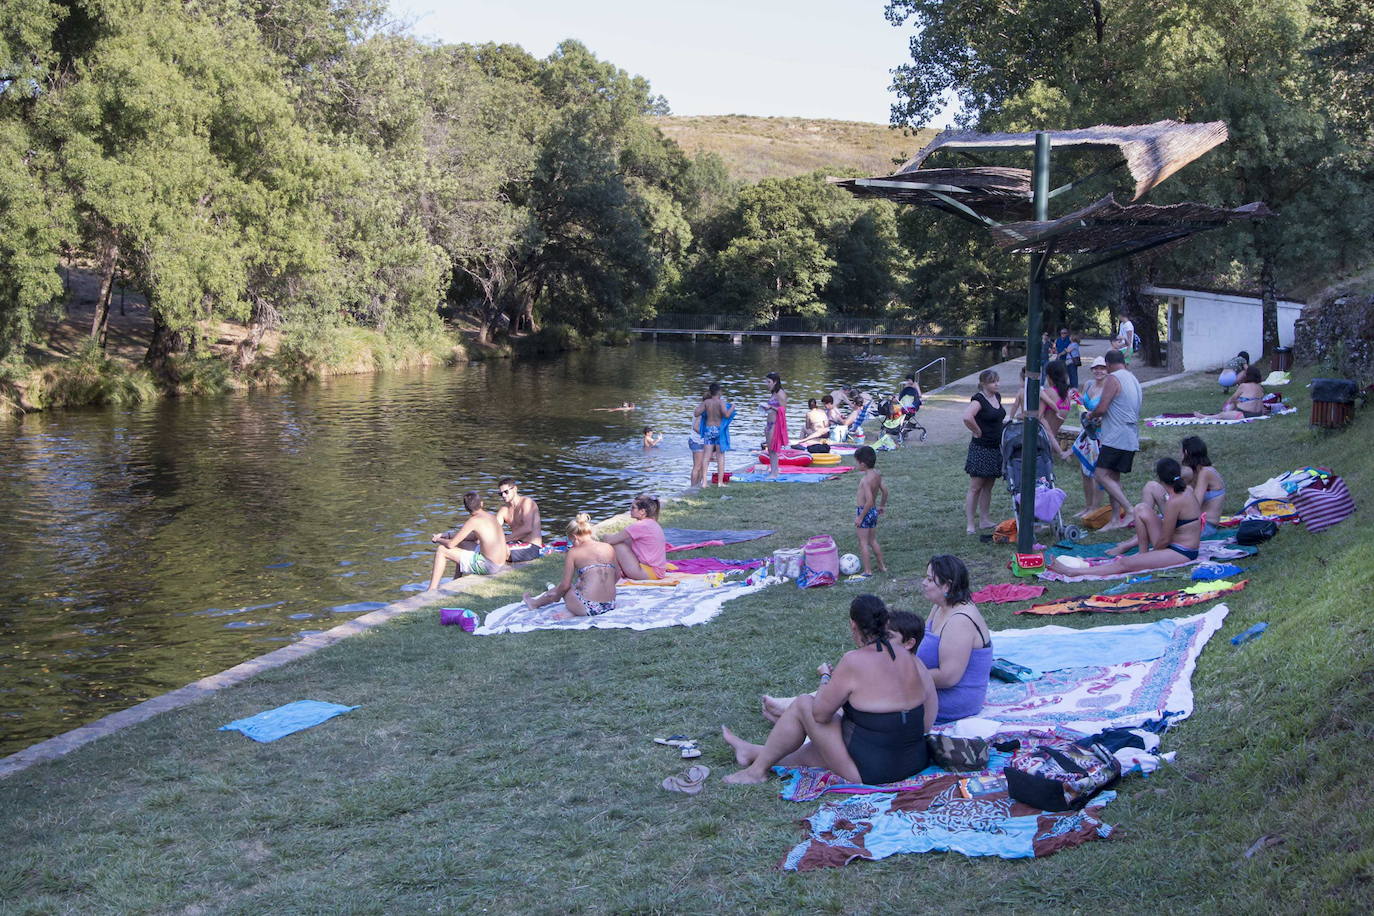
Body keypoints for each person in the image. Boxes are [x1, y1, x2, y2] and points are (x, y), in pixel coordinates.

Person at [722, 595, 938, 786]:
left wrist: (826, 677)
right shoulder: (911, 659)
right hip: (914, 762)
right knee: (815, 753)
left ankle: (756, 772)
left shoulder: (854, 660)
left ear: (854, 625)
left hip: (873, 772)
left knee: (803, 704)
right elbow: (927, 712)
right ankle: (751, 752)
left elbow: (819, 714)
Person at [1050, 457, 1203, 577]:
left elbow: (1165, 539)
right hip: (1174, 543)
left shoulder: (1175, 501)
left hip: (1182, 551)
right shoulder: (1187, 490)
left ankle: (1072, 572)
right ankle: (1143, 554)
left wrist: (1151, 556)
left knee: (1126, 563)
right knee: (1140, 508)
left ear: (1161, 479)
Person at [915, 555, 992, 723]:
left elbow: (948, 677)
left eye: (929, 579)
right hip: (929, 689)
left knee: (876, 700)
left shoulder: (960, 620)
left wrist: (904, 677)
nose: (924, 583)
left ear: (947, 586)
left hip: (954, 700)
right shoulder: (940, 606)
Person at [1087, 349, 1142, 531]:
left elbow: (1102, 408)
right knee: (1113, 476)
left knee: (1100, 475)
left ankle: (1129, 509)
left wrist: (1091, 415)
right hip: (1130, 434)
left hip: (1116, 435)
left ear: (1109, 365)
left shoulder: (1113, 378)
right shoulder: (1133, 378)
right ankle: (1115, 520)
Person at [522, 514, 618, 619]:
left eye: (570, 540)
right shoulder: (608, 547)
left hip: (589, 608)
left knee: (564, 587)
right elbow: (617, 575)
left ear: (574, 536)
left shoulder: (574, 552)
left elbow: (565, 586)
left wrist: (556, 596)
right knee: (577, 586)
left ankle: (535, 603)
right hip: (610, 604)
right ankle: (571, 611)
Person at [426, 492, 509, 591]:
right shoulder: (491, 517)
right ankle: (456, 580)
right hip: (500, 562)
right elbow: (472, 537)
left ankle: (431, 589)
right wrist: (446, 535)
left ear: (466, 508)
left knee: (441, 550)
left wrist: (437, 539)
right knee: (461, 544)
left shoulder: (473, 521)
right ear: (481, 504)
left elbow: (451, 544)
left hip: (489, 566)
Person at [961, 369, 1005, 534]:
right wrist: (977, 431)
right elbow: (967, 417)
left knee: (989, 485)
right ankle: (970, 523)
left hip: (995, 447)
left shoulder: (997, 397)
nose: (997, 384)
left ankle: (985, 519)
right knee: (976, 487)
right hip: (981, 448)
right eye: (994, 382)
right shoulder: (978, 400)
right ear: (984, 384)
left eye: (997, 381)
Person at [1072, 356, 1109, 518]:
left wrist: (1099, 418)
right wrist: (1076, 399)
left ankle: (1095, 507)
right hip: (1087, 431)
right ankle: (1087, 506)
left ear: (1107, 370)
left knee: (1096, 472)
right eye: (1096, 368)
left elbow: (1110, 409)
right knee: (1084, 470)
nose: (1098, 371)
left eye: (1102, 368)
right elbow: (1083, 404)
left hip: (1101, 435)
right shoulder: (1088, 384)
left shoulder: (1109, 387)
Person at [1008, 362, 1070, 459]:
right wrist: (1057, 411)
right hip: (1055, 428)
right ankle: (1059, 452)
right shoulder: (1066, 396)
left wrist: (1020, 416)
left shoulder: (1048, 392)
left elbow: (1038, 415)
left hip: (1042, 435)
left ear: (1049, 376)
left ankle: (1061, 453)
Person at [601, 493, 666, 580]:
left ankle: (615, 574)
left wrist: (604, 535)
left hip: (649, 573)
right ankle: (617, 571)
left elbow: (610, 540)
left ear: (642, 511)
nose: (630, 510)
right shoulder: (650, 523)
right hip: (656, 572)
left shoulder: (640, 525)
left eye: (633, 508)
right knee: (625, 541)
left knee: (616, 545)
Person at [852, 445, 888, 577]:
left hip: (865, 511)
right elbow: (885, 491)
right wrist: (882, 506)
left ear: (862, 463)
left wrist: (860, 517)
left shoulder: (866, 480)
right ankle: (882, 566)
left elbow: (869, 501)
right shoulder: (877, 475)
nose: (856, 465)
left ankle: (867, 571)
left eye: (857, 462)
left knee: (863, 542)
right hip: (873, 512)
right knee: (872, 540)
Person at [1181, 436, 1225, 535]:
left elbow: (1195, 505)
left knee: (1158, 527)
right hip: (1195, 523)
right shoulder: (1197, 472)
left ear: (1186, 453)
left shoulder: (1205, 472)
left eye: (1181, 452)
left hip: (1205, 527)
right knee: (1151, 487)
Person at [695, 382, 735, 486]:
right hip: (718, 430)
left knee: (706, 456)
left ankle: (704, 482)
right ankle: (720, 482)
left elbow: (696, 413)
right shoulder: (721, 402)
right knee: (720, 456)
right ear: (719, 392)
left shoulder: (706, 402)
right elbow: (726, 415)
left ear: (710, 392)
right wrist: (732, 407)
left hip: (708, 429)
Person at [1196, 365, 1267, 420]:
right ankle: (1228, 411)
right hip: (1258, 413)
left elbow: (1232, 398)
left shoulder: (1244, 386)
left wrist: (1226, 405)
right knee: (1238, 401)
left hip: (1245, 414)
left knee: (1222, 415)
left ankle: (1205, 417)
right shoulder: (1260, 387)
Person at [761, 372, 788, 479]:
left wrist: (771, 408)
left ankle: (774, 472)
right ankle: (773, 470)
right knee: (770, 449)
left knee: (773, 449)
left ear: (775, 382)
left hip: (775, 424)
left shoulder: (780, 393)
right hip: (769, 424)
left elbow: (783, 410)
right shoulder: (773, 393)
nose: (767, 384)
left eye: (769, 382)